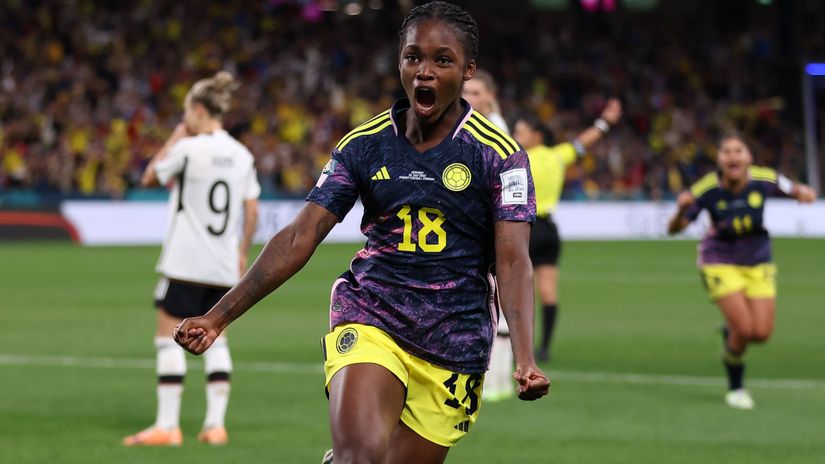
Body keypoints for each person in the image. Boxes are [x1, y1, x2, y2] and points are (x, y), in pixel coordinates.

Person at [174, 3, 550, 463]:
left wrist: (525, 358)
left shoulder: (499, 156)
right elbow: (301, 235)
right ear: (399, 62)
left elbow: (512, 259)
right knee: (360, 458)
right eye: (413, 58)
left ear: (468, 69)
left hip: (455, 343)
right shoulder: (364, 144)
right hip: (373, 316)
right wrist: (217, 317)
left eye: (442, 60)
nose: (424, 72)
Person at [123, 71, 261, 446]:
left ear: (198, 111)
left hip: (185, 261)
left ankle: (167, 427)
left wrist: (176, 134)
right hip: (222, 263)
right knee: (219, 339)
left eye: (187, 114)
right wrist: (242, 252)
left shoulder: (188, 148)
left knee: (167, 339)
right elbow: (252, 212)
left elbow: (149, 178)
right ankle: (215, 426)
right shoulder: (242, 155)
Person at [667, 134, 815, 409]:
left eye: (739, 151)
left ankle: (730, 332)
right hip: (719, 261)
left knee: (761, 333)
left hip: (758, 261)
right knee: (744, 329)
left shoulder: (764, 178)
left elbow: (792, 188)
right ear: (719, 159)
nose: (733, 156)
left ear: (748, 157)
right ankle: (736, 388)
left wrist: (803, 192)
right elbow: (673, 229)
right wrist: (679, 211)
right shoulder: (705, 189)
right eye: (726, 152)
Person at [513, 100, 622, 362]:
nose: (516, 136)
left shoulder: (516, 156)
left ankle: (512, 346)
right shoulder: (558, 155)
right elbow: (585, 141)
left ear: (536, 135)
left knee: (512, 290)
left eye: (521, 131)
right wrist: (604, 122)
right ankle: (545, 348)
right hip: (549, 229)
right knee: (548, 293)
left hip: (522, 228)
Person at [462, 69, 515, 402]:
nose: (469, 97)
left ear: (489, 98)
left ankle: (495, 380)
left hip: (492, 231)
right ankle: (494, 379)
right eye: (466, 91)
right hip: (469, 230)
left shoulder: (496, 132)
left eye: (476, 92)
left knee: (495, 302)